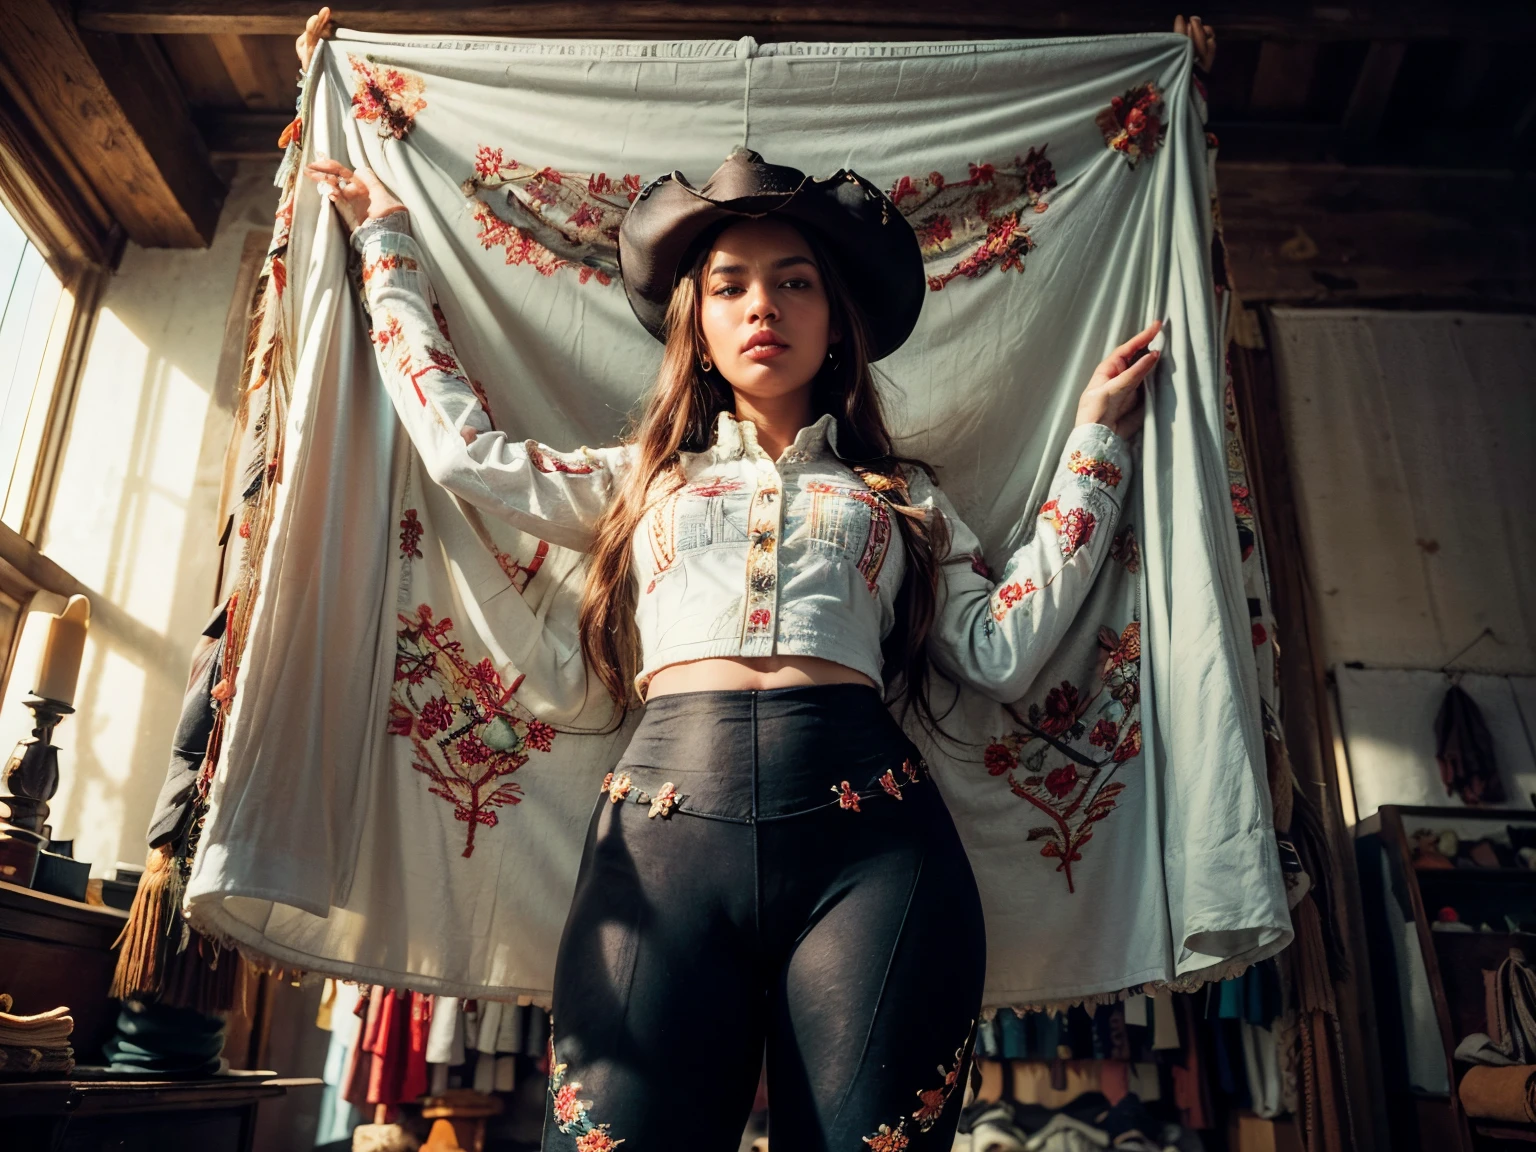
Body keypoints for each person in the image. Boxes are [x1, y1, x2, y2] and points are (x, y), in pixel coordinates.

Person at [294, 10, 1213, 1150]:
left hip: (877, 855)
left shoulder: (905, 499)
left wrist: (1097, 443)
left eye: (793, 284)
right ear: (698, 322)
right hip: (659, 847)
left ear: (837, 324)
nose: (761, 307)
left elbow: (1003, 650)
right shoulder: (640, 479)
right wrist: (388, 246)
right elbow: (465, 453)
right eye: (729, 287)